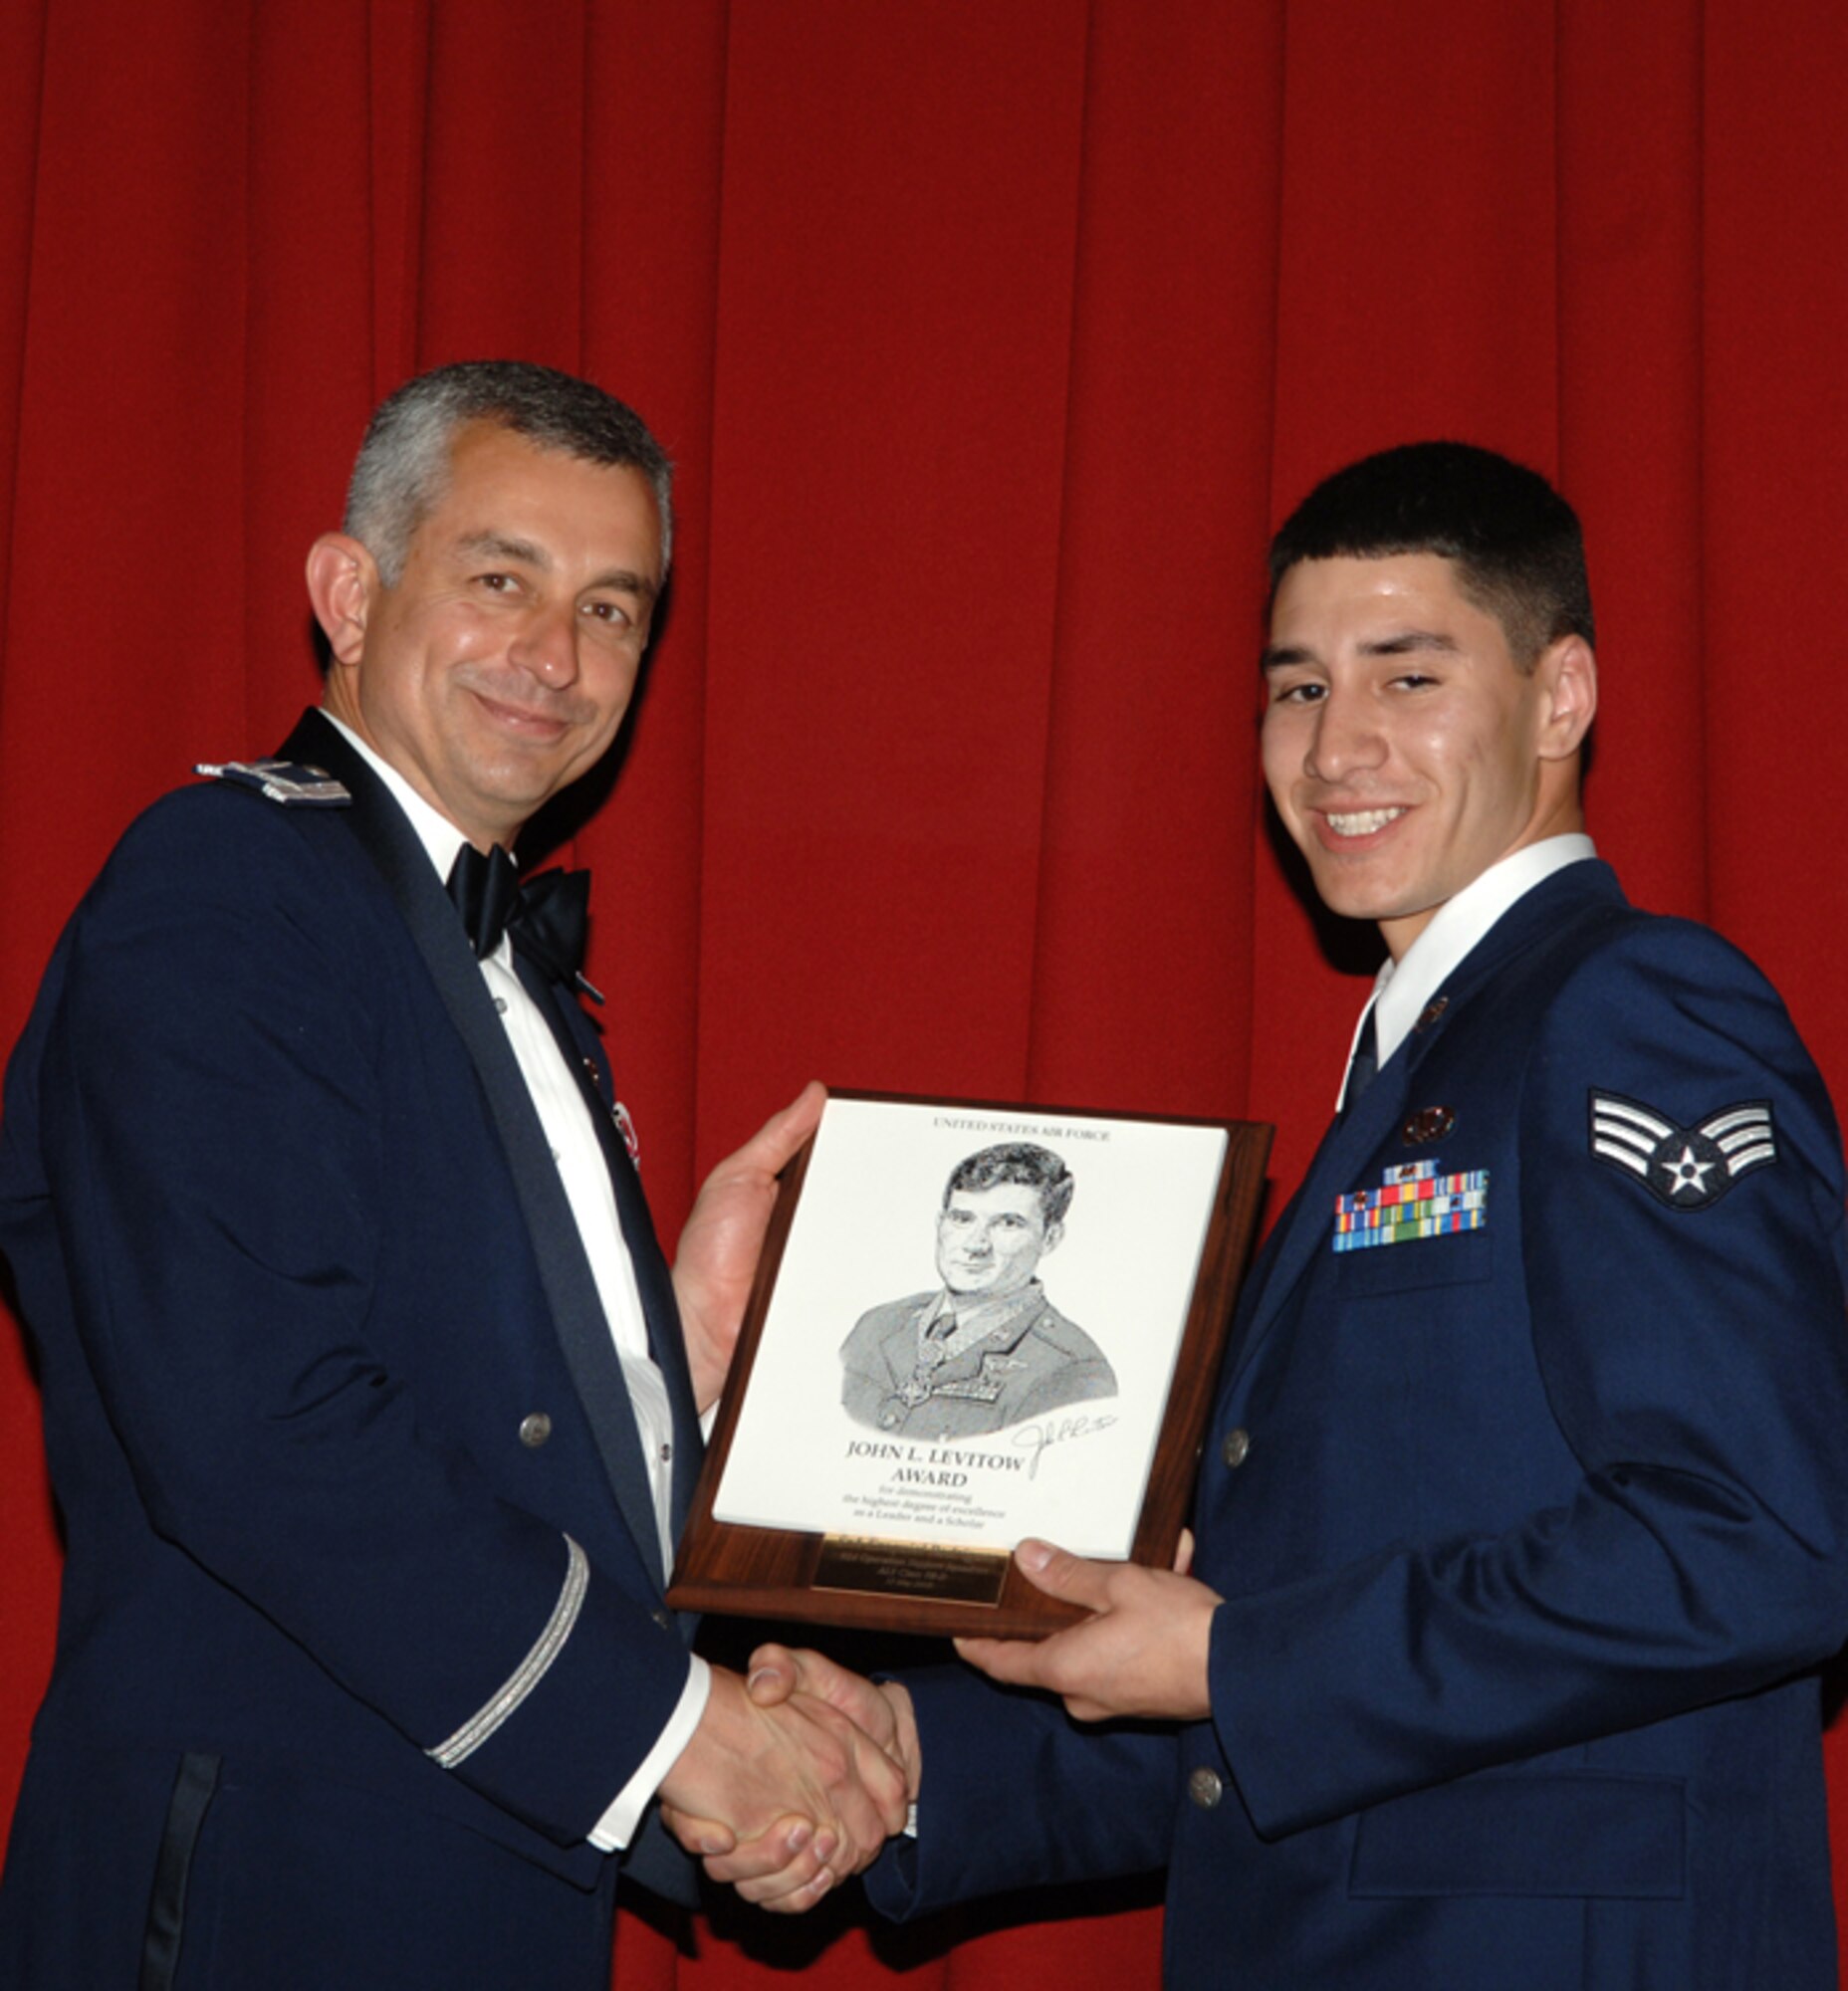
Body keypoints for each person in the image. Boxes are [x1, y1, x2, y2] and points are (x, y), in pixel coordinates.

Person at [694, 442, 1848, 1985]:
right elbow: (1270, 1686)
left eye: (1409, 676)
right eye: (1299, 689)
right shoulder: (1410, 1078)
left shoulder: (1629, 1009)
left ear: (1560, 699)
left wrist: (1234, 1658)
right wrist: (903, 1761)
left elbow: (1759, 1538)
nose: (1339, 747)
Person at [0, 360, 904, 1990]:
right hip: (269, 1880)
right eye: (503, 579)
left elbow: (477, 1408)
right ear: (349, 593)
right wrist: (686, 1733)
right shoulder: (227, 887)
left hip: (476, 1855)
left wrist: (665, 1376)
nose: (556, 659)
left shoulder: (503, 957)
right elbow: (255, 1431)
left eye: (614, 608)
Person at [839, 1141, 1116, 1439]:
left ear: (1050, 1238)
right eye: (962, 1219)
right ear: (940, 1223)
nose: (975, 1245)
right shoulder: (876, 1326)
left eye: (1007, 1224)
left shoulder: (1071, 1371)